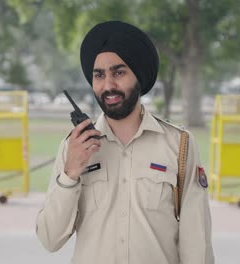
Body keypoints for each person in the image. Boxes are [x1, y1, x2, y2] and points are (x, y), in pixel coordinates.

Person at [36, 20, 214, 264]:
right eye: (99, 75)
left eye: (119, 73)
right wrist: (70, 174)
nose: (108, 85)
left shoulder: (179, 145)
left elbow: (197, 240)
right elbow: (50, 239)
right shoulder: (74, 146)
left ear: (138, 75)